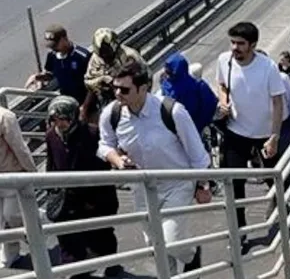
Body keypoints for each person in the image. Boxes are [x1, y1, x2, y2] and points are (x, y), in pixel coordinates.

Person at [97, 62, 210, 274]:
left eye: (124, 89)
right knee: (155, 245)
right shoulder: (111, 114)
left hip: (176, 184)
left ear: (143, 88)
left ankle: (192, 256)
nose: (118, 93)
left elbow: (197, 153)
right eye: (115, 88)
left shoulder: (172, 111)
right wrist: (118, 161)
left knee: (171, 240)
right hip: (142, 188)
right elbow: (105, 145)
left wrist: (203, 185)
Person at [214, 22, 288, 246]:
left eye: (240, 44)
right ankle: (239, 233)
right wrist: (224, 101)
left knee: (275, 179)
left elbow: (278, 102)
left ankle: (283, 213)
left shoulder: (268, 67)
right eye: (233, 42)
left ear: (253, 45)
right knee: (235, 185)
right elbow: (222, 84)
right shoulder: (224, 60)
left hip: (264, 135)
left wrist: (274, 136)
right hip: (236, 132)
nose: (235, 48)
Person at [45, 96, 122, 278]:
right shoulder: (50, 135)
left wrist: (95, 198)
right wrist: (51, 189)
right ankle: (75, 269)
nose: (60, 124)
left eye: (64, 119)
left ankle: (111, 263)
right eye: (55, 119)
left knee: (101, 233)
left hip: (95, 195)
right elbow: (51, 163)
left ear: (73, 117)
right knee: (67, 235)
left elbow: (103, 167)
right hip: (66, 196)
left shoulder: (92, 133)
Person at [84, 27, 148, 123]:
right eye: (102, 54)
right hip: (108, 102)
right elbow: (88, 82)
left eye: (107, 53)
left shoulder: (129, 56)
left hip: (132, 101)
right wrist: (102, 80)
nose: (105, 57)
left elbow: (146, 78)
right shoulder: (95, 59)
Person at [0, 105, 36, 269]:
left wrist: (31, 171)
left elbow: (19, 147)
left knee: (12, 216)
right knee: (3, 220)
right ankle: (10, 255)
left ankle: (37, 230)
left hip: (11, 175)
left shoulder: (5, 117)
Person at [26, 24, 91, 103]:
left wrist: (85, 107)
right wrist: (37, 77)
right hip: (67, 101)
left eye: (55, 45)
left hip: (86, 101)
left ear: (64, 39)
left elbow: (93, 84)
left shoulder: (82, 56)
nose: (53, 48)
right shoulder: (52, 56)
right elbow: (51, 75)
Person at [160, 53, 218, 134]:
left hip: (179, 130)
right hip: (198, 127)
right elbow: (210, 105)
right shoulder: (197, 85)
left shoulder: (165, 85)